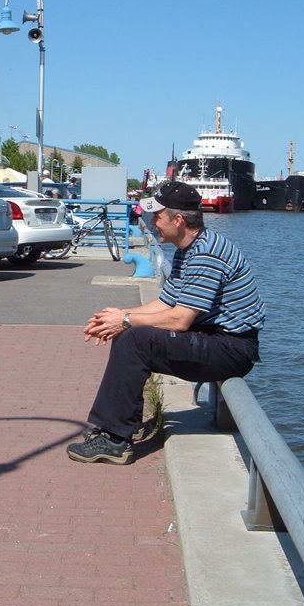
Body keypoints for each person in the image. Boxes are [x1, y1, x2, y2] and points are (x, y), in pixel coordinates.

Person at [66, 180, 265, 465]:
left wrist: (125, 320)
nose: (151, 222)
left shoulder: (206, 254)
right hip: (213, 337)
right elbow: (166, 303)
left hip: (232, 349)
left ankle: (115, 440)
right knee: (129, 334)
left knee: (135, 339)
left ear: (179, 220)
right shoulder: (190, 248)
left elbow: (180, 319)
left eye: (156, 216)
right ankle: (115, 428)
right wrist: (118, 315)